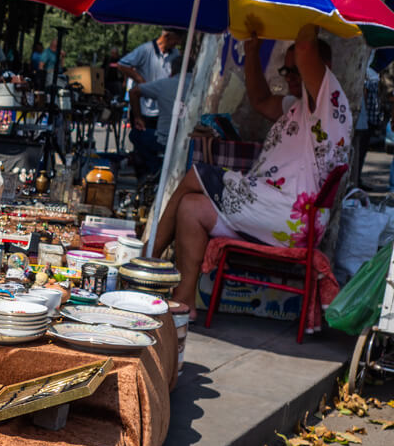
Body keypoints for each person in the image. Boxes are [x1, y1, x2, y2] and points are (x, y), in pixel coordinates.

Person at [150, 23, 351, 311]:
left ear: (323, 68)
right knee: (191, 208)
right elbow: (261, 100)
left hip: (291, 215)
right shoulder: (298, 106)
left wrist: (310, 14)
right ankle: (184, 301)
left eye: (297, 70)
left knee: (198, 173)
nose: (291, 77)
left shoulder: (329, 104)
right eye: (287, 71)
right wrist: (252, 51)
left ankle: (148, 260)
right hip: (275, 208)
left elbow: (307, 48)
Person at [117, 30, 181, 175]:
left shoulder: (175, 54)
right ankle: (144, 180)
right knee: (141, 146)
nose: (176, 44)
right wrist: (139, 79)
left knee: (157, 145)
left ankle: (155, 174)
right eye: (175, 40)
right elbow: (122, 64)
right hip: (144, 107)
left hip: (161, 109)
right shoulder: (146, 49)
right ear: (166, 36)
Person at [128, 59, 190, 176]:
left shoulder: (166, 84)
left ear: (173, 70)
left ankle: (155, 169)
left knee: (135, 135)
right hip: (192, 141)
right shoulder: (201, 85)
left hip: (166, 140)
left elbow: (133, 92)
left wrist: (138, 117)